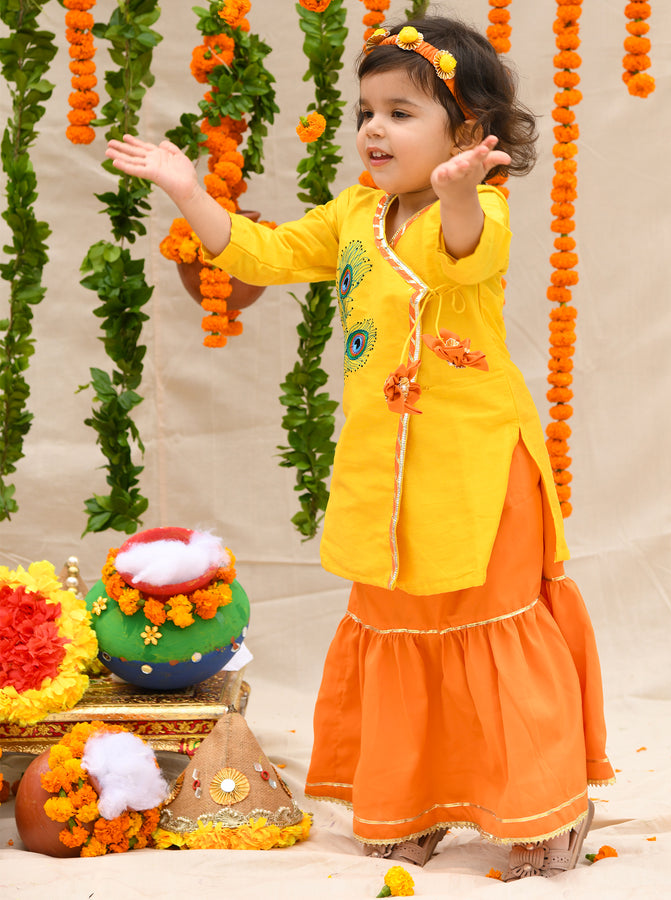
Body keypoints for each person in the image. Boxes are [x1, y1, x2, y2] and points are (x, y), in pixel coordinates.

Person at [107, 15, 614, 880]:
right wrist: (190, 191)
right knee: (402, 622)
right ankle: (415, 801)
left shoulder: (478, 209)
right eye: (364, 112)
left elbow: (466, 256)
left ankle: (538, 807)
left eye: (401, 112)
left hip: (479, 470)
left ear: (466, 132)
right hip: (389, 475)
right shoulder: (354, 213)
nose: (374, 128)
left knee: (488, 626)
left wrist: (458, 190)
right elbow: (260, 256)